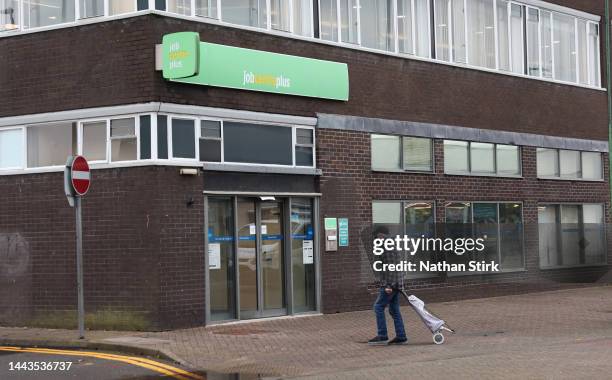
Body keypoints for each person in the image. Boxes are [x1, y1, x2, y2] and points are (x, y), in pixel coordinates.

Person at [368, 226, 408, 346]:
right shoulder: (393, 243)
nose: (375, 240)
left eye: (376, 237)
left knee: (378, 307)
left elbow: (391, 266)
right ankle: (401, 336)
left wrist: (389, 285)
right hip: (396, 282)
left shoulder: (387, 244)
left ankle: (382, 335)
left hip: (391, 283)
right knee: (394, 309)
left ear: (380, 235)